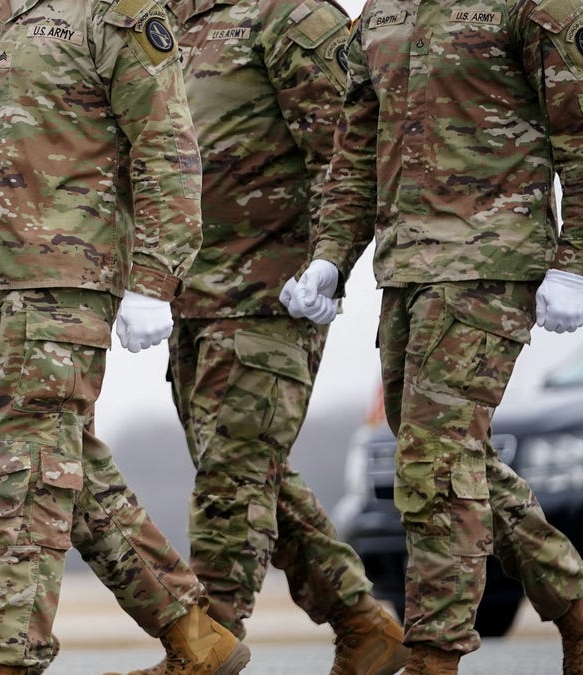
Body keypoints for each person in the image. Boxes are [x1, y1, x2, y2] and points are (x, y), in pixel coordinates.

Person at [0, 0, 251, 673]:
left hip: (68, 272)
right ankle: (195, 634)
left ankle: (8, 658)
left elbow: (166, 144)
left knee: (25, 467)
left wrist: (156, 277)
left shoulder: (111, 12)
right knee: (69, 467)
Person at [283, 0, 583, 669]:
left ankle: (434, 653)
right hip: (407, 267)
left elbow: (579, 131)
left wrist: (574, 264)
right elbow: (357, 143)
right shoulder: (383, 12)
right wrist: (332, 255)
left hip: (492, 261)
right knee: (449, 453)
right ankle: (576, 603)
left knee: (436, 462)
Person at [147, 0, 408, 673]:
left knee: (231, 485)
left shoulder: (289, 15)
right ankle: (361, 621)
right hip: (193, 300)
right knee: (253, 477)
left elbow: (347, 152)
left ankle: (207, 646)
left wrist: (326, 263)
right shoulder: (166, 24)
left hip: (269, 297)